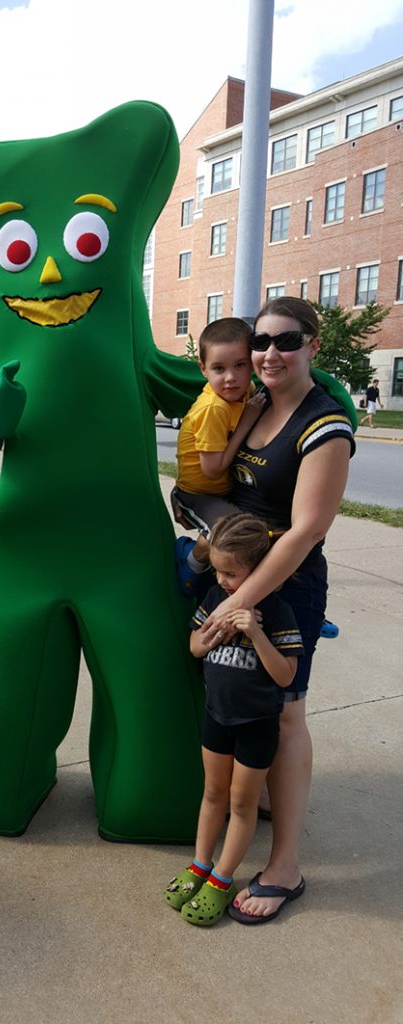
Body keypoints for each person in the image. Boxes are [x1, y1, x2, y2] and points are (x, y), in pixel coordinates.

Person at [191, 296, 355, 924]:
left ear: (313, 344)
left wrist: (241, 599)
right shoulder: (255, 406)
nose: (269, 353)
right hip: (235, 580)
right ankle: (256, 798)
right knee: (236, 700)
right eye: (261, 341)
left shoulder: (324, 425)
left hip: (286, 589)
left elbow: (306, 530)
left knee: (285, 715)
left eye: (286, 341)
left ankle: (285, 865)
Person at [164, 513, 304, 927]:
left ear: (258, 569)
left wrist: (255, 634)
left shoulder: (277, 612)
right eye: (218, 571)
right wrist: (211, 633)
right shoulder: (214, 598)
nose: (222, 581)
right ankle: (200, 865)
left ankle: (222, 879)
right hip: (217, 717)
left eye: (231, 573)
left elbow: (286, 676)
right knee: (213, 793)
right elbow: (194, 646)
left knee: (241, 804)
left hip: (256, 725)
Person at [170, 318, 265, 593]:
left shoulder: (245, 393)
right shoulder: (214, 408)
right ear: (203, 369)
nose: (231, 377)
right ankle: (191, 560)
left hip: (223, 491)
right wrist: (246, 422)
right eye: (219, 368)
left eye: (240, 365)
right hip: (197, 493)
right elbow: (212, 469)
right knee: (233, 532)